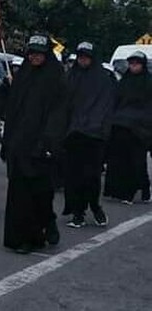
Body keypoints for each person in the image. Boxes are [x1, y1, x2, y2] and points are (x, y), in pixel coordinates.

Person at [2, 34, 67, 254]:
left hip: (42, 146)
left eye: (39, 53)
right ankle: (23, 238)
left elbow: (59, 113)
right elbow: (12, 110)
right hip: (20, 145)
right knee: (20, 194)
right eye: (31, 53)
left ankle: (47, 222)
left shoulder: (56, 78)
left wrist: (48, 142)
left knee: (41, 193)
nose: (34, 57)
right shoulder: (23, 76)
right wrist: (7, 141)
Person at [61, 42, 114, 227]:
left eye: (87, 57)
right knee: (73, 176)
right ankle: (78, 212)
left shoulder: (103, 79)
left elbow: (107, 107)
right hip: (73, 135)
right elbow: (63, 104)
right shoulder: (71, 77)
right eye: (80, 56)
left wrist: (100, 129)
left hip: (94, 136)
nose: (83, 60)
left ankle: (95, 206)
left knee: (91, 176)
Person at [104, 51, 152, 204]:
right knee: (121, 160)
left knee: (137, 161)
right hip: (121, 126)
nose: (133, 66)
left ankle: (143, 188)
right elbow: (116, 100)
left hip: (140, 129)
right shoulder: (124, 81)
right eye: (131, 64)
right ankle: (122, 191)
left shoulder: (148, 82)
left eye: (137, 63)